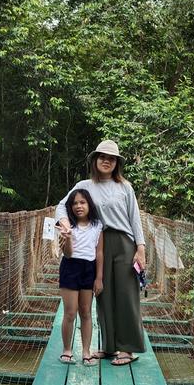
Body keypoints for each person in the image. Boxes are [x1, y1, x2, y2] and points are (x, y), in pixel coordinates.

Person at [55, 140, 145, 366]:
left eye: (111, 158)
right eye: (102, 157)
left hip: (124, 242)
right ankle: (108, 346)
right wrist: (66, 224)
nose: (107, 161)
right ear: (95, 160)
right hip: (99, 243)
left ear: (117, 164)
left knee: (125, 294)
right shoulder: (85, 185)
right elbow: (61, 206)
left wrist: (140, 248)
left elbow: (135, 217)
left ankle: (127, 349)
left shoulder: (125, 186)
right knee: (102, 295)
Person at [58, 188, 104, 365]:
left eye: (82, 202)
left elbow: (99, 252)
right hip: (70, 267)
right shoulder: (67, 225)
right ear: (70, 207)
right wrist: (68, 237)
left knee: (85, 312)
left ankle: (86, 351)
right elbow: (68, 254)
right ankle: (67, 350)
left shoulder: (98, 225)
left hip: (89, 268)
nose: (78, 206)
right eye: (75, 203)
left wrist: (98, 278)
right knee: (70, 313)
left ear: (89, 205)